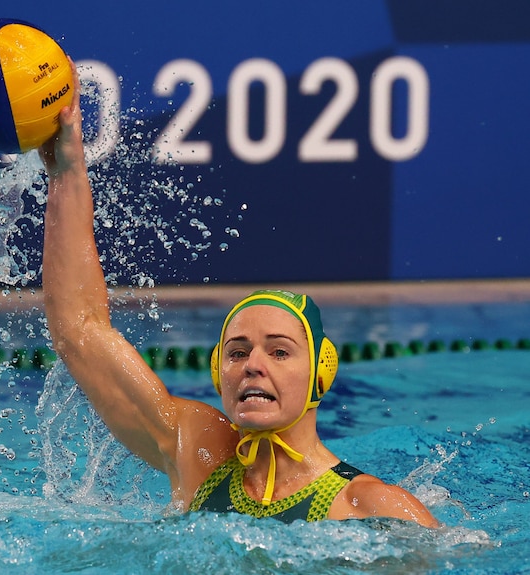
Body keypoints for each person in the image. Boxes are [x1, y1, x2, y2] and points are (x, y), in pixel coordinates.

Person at [38, 63, 438, 527]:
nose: (252, 364)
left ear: (320, 372)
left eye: (280, 351)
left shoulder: (368, 507)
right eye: (237, 351)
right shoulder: (198, 452)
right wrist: (66, 172)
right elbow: (79, 332)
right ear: (217, 371)